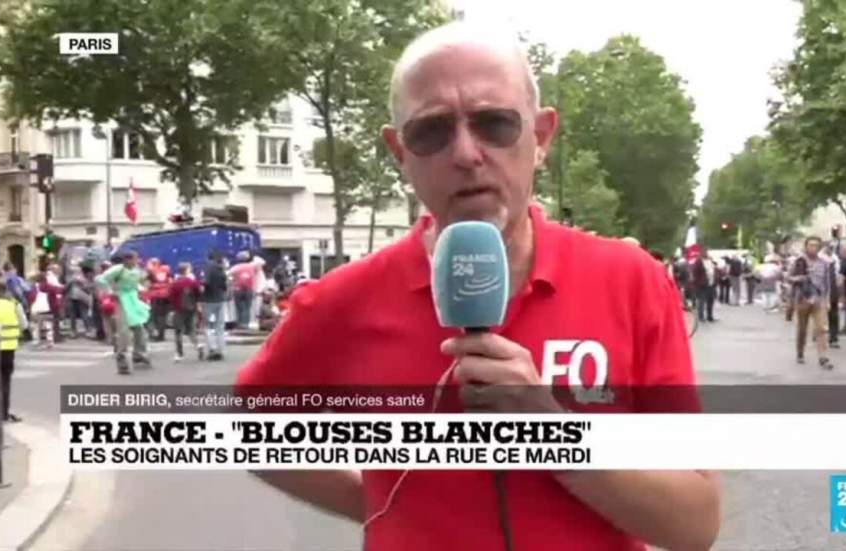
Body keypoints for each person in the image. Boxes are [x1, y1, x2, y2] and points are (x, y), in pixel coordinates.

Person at [236, 22, 719, 551]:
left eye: (495, 123)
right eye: (432, 131)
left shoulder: (631, 282)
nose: (466, 153)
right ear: (401, 152)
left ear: (541, 138)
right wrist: (382, 509)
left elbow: (693, 528)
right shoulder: (342, 300)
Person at [96, 251, 152, 374]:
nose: (136, 261)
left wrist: (142, 289)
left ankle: (138, 353)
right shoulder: (117, 269)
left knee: (139, 327)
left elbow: (136, 283)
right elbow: (100, 279)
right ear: (127, 260)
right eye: (134, 259)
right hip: (121, 300)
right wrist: (110, 292)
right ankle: (121, 359)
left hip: (133, 300)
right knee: (124, 331)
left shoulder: (137, 270)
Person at [789, 237, 834, 369]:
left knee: (821, 328)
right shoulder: (799, 261)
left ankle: (823, 357)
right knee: (802, 329)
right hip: (802, 298)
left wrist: (828, 299)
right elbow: (787, 277)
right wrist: (797, 278)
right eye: (810, 245)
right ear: (806, 246)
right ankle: (800, 353)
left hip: (819, 299)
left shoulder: (824, 262)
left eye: (816, 245)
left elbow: (827, 283)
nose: (813, 248)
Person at [0, 281, 26, 422]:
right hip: (8, 348)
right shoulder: (13, 304)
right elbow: (24, 324)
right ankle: (2, 413)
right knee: (4, 381)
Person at [169, 262, 204, 362]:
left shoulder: (175, 283)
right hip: (191, 309)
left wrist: (173, 308)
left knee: (178, 332)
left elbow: (171, 297)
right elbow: (199, 293)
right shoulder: (192, 282)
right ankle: (197, 345)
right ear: (187, 270)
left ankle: (179, 354)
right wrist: (197, 304)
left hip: (179, 309)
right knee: (191, 330)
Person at [201, 251, 228, 361]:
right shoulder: (221, 269)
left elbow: (206, 283)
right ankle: (220, 349)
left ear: (208, 258)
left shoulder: (208, 268)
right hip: (220, 299)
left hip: (208, 300)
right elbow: (224, 285)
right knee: (220, 326)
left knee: (207, 326)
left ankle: (212, 349)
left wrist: (202, 288)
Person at [228, 251, 258, 331]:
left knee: (239, 307)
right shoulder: (252, 267)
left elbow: (228, 274)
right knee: (247, 307)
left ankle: (240, 323)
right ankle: (246, 324)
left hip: (238, 289)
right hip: (249, 289)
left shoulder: (236, 267)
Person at [146, 258, 172, 342]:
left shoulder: (150, 272)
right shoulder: (166, 270)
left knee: (151, 316)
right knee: (162, 316)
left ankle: (152, 334)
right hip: (166, 296)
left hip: (155, 296)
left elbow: (146, 283)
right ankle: (161, 335)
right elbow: (171, 281)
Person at [691, 250, 718, 322]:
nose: (707, 254)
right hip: (702, 285)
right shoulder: (698, 262)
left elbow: (714, 270)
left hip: (711, 284)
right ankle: (701, 316)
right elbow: (695, 274)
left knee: (711, 301)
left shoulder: (710, 261)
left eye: (707, 253)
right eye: (705, 253)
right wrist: (698, 283)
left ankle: (710, 316)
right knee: (701, 301)